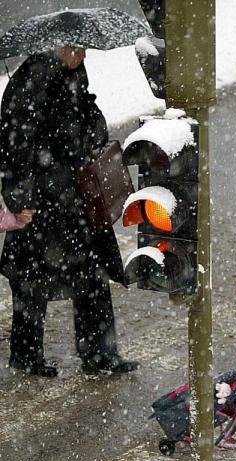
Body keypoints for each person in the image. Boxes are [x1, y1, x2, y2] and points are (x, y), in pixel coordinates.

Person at [0, 46, 136, 377]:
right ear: (58, 46)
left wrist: (92, 128)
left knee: (91, 275)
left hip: (75, 196)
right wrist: (20, 200)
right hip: (42, 201)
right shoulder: (27, 82)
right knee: (32, 280)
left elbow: (90, 118)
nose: (84, 56)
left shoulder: (73, 74)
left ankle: (100, 355)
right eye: (78, 49)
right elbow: (12, 148)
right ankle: (27, 355)